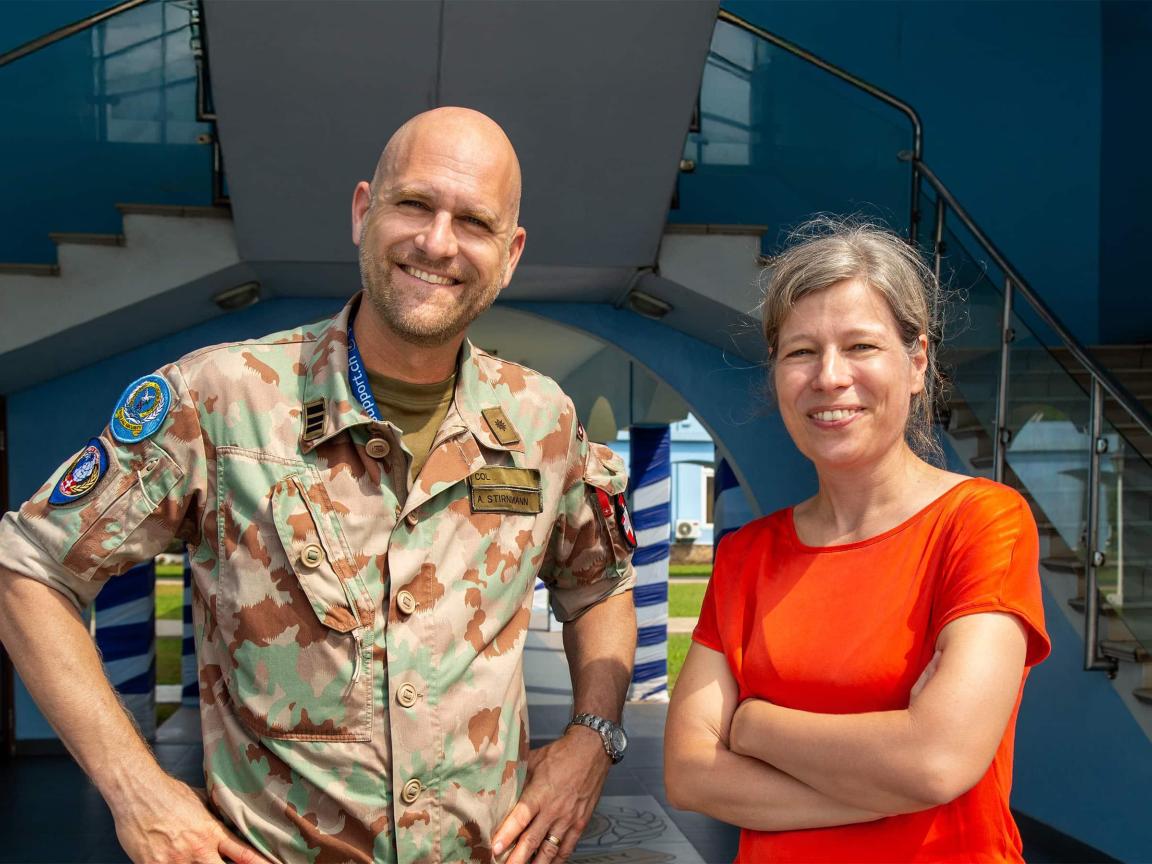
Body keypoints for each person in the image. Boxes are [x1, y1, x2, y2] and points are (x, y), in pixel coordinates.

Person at [0, 107, 638, 864]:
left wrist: (591, 737)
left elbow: (600, 585)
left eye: (474, 221)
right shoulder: (221, 402)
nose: (437, 242)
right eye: (414, 204)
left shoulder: (543, 422)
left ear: (510, 254)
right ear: (364, 211)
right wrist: (135, 788)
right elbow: (28, 568)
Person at [664, 219, 1050, 862]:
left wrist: (755, 726)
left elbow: (935, 760)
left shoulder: (981, 521)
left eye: (861, 346)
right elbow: (688, 771)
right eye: (800, 351)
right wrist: (891, 782)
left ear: (917, 363)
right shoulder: (747, 555)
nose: (829, 377)